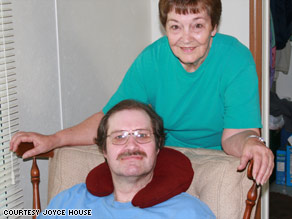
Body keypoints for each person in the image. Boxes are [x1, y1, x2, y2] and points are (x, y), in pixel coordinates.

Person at [10, 0, 274, 186]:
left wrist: (252, 143)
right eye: (175, 26)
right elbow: (110, 120)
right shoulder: (152, 60)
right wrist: (54, 139)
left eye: (197, 25)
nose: (186, 38)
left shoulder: (236, 59)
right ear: (165, 28)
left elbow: (234, 137)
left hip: (217, 160)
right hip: (164, 157)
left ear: (213, 27)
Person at [38, 100, 215, 218]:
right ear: (104, 150)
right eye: (119, 137)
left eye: (142, 135)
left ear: (158, 145)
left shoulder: (188, 213)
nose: (131, 145)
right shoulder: (71, 202)